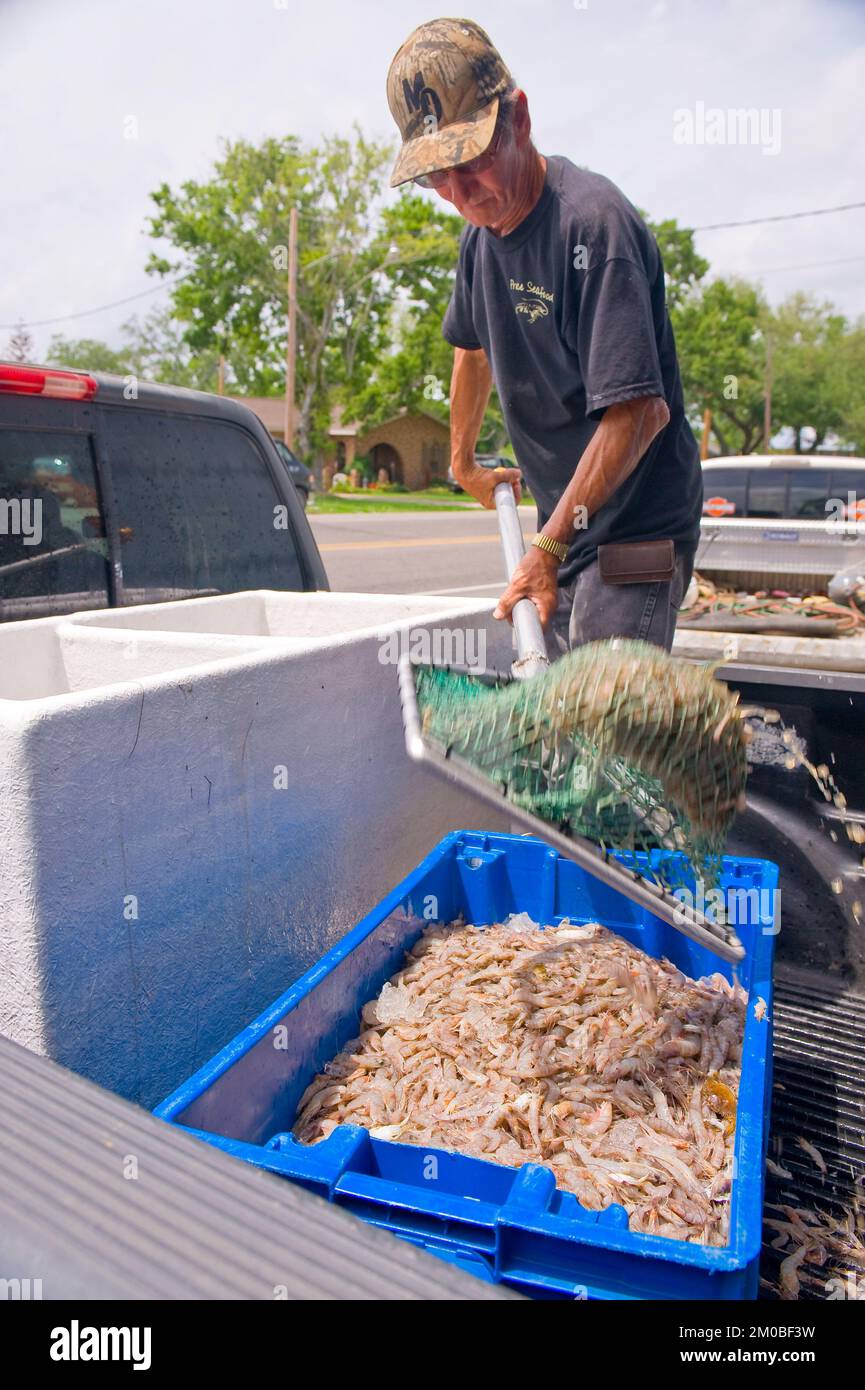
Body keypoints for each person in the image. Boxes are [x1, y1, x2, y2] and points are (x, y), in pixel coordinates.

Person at [386, 17, 703, 654]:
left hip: (635, 526)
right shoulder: (479, 238)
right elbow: (470, 347)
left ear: (519, 119)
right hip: (562, 525)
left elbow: (639, 413)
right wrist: (462, 461)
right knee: (554, 711)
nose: (457, 194)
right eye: (435, 177)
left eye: (469, 164)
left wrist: (549, 548)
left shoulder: (593, 227)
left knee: (601, 727)